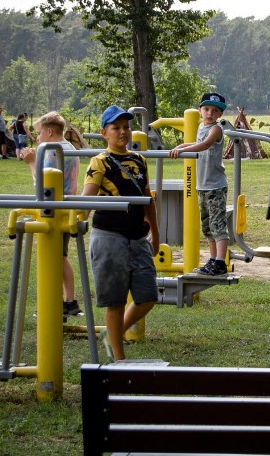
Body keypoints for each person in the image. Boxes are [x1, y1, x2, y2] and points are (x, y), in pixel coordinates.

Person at [82, 105, 159, 362]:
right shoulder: (99, 161)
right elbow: (87, 198)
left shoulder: (140, 160)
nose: (123, 132)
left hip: (138, 236)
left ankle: (112, 334)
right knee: (115, 301)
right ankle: (119, 359)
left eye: (126, 127)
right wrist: (78, 216)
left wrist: (156, 234)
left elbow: (148, 200)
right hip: (109, 236)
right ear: (105, 132)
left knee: (148, 296)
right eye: (116, 128)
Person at [19, 112, 82, 318]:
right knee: (61, 256)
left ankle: (56, 303)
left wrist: (30, 161)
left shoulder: (52, 151)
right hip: (66, 208)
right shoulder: (70, 148)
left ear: (49, 131)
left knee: (53, 257)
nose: (36, 139)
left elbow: (44, 185)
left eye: (38, 134)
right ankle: (69, 301)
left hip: (52, 210)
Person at [169, 92, 230, 276]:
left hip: (215, 186)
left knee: (218, 224)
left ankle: (220, 262)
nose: (210, 113)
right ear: (200, 110)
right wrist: (181, 146)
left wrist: (182, 151)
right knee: (208, 226)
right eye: (206, 109)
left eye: (215, 110)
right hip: (202, 185)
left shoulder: (216, 129)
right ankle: (212, 260)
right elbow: (197, 142)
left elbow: (204, 145)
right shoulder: (201, 127)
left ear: (220, 114)